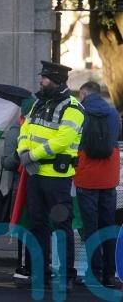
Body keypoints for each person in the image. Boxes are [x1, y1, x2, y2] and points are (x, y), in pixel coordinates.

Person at [16, 61, 84, 291]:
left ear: (56, 80)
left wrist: (32, 155)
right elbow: (25, 129)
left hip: (57, 177)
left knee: (62, 226)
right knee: (37, 225)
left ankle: (66, 276)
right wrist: (23, 151)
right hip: (35, 173)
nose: (40, 81)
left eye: (44, 78)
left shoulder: (73, 107)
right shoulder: (38, 104)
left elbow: (63, 140)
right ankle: (40, 273)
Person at [74, 81, 121, 287]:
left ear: (83, 94)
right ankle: (109, 275)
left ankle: (94, 272)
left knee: (90, 227)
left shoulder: (80, 112)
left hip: (87, 176)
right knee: (108, 224)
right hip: (109, 176)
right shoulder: (113, 113)